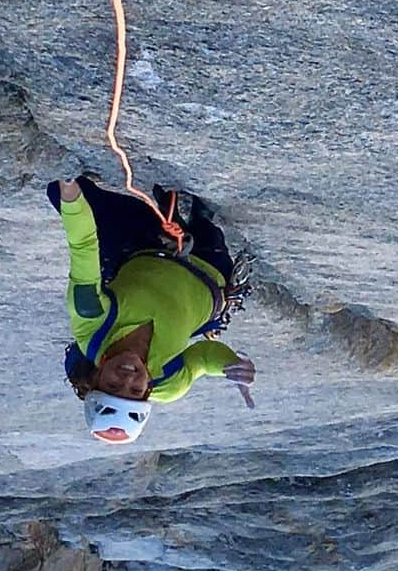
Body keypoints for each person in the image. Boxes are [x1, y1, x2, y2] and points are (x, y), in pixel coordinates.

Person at [50, 176, 255, 443]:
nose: (127, 377)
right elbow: (204, 357)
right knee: (207, 229)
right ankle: (191, 220)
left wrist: (70, 195)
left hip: (145, 248)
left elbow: (83, 249)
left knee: (58, 191)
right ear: (147, 392)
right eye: (135, 390)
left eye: (112, 385)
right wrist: (229, 365)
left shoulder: (91, 320)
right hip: (210, 270)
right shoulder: (169, 384)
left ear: (96, 376)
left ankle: (169, 218)